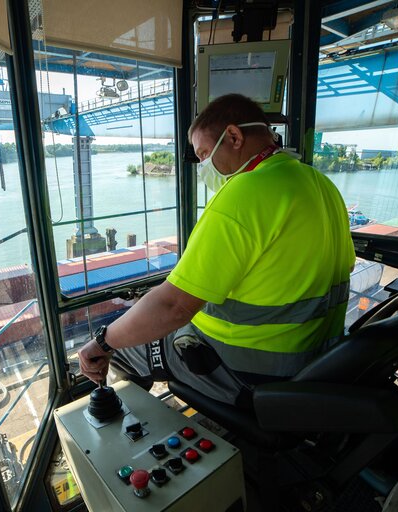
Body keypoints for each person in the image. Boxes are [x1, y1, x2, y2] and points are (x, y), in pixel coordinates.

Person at [78, 94, 355, 406]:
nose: (202, 167)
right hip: (316, 358)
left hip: (250, 370)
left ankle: (132, 435)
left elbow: (174, 307)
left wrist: (101, 342)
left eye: (204, 154)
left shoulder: (244, 192)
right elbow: (335, 269)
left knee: (125, 345)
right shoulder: (320, 183)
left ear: (234, 137)